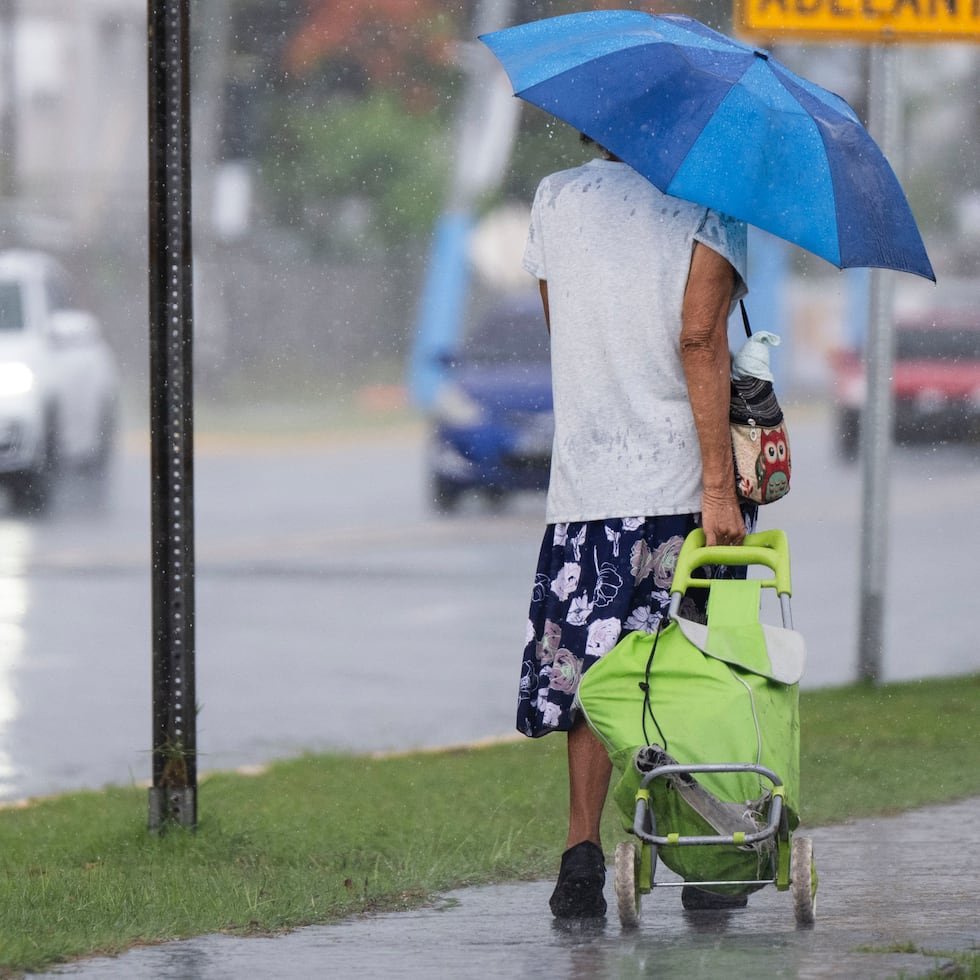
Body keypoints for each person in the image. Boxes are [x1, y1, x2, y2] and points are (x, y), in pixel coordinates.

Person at [518, 137, 755, 918]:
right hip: (680, 486)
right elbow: (700, 339)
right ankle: (702, 852)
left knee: (592, 676)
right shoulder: (711, 205)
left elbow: (566, 331)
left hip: (587, 481)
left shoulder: (556, 198)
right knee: (687, 672)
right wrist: (719, 489)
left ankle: (580, 855)